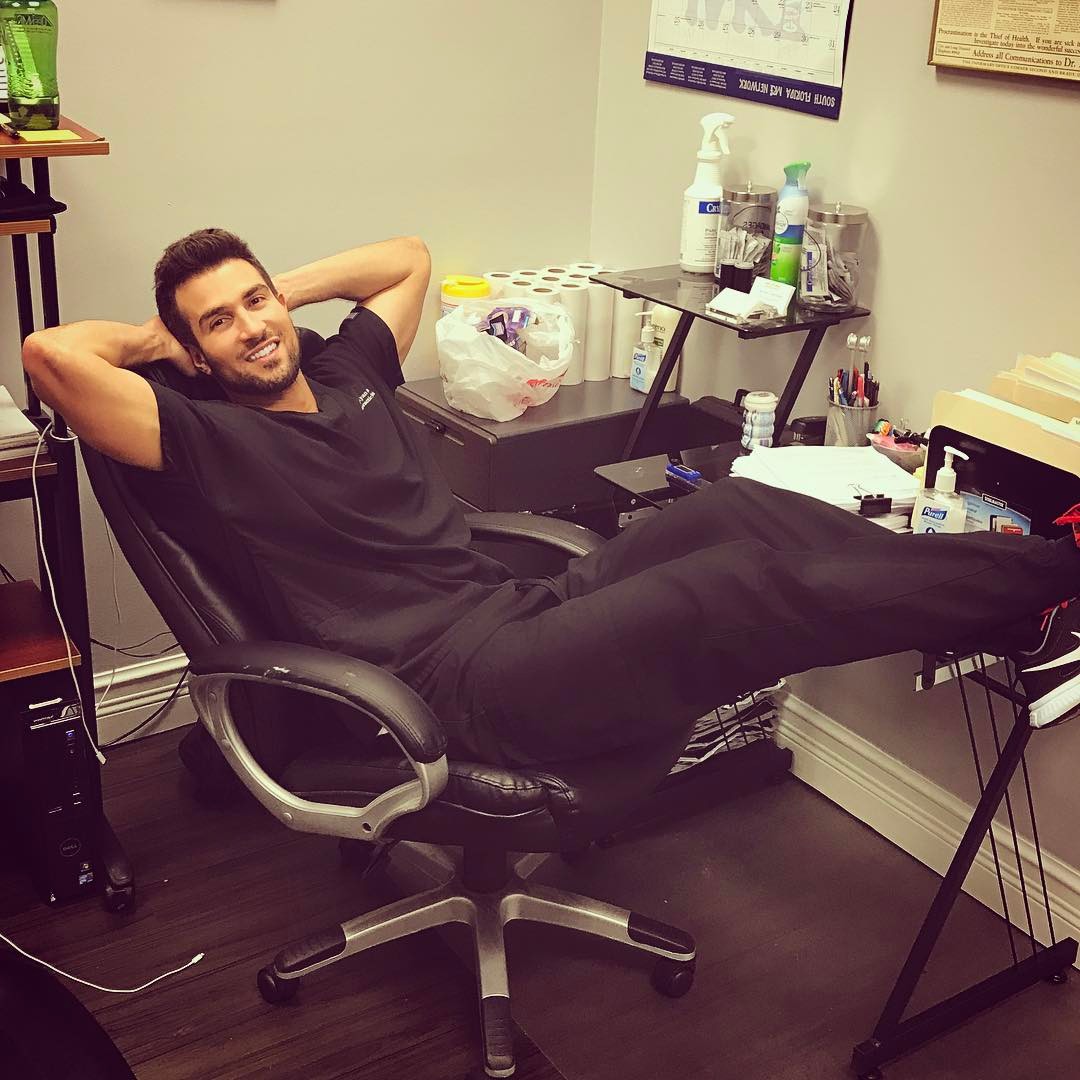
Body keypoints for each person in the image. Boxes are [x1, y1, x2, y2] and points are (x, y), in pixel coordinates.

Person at [21, 228, 1080, 768]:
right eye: (220, 323)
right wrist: (163, 341)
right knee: (726, 590)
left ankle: (1021, 607)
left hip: (520, 606)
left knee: (731, 507)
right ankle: (1055, 575)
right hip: (451, 680)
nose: (252, 327)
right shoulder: (212, 437)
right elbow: (51, 356)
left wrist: (273, 289)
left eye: (254, 302)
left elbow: (405, 258)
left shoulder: (347, 367)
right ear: (195, 355)